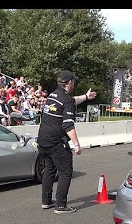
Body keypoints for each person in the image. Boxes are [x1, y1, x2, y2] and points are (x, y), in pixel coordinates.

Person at [37, 70, 96, 214]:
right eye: (73, 81)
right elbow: (68, 125)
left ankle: (46, 201)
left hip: (43, 140)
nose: (74, 83)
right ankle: (61, 205)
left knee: (49, 170)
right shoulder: (66, 99)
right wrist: (76, 145)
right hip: (56, 141)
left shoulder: (53, 95)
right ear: (69, 82)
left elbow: (70, 101)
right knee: (66, 172)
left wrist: (86, 97)